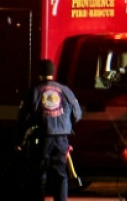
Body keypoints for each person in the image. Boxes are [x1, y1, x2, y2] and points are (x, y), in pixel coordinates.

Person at [16, 58, 82, 201]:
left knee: (39, 173)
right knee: (61, 174)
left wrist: (20, 140)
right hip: (62, 138)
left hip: (42, 137)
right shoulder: (65, 90)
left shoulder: (34, 91)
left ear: (39, 74)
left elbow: (24, 117)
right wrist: (65, 125)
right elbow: (77, 114)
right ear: (53, 73)